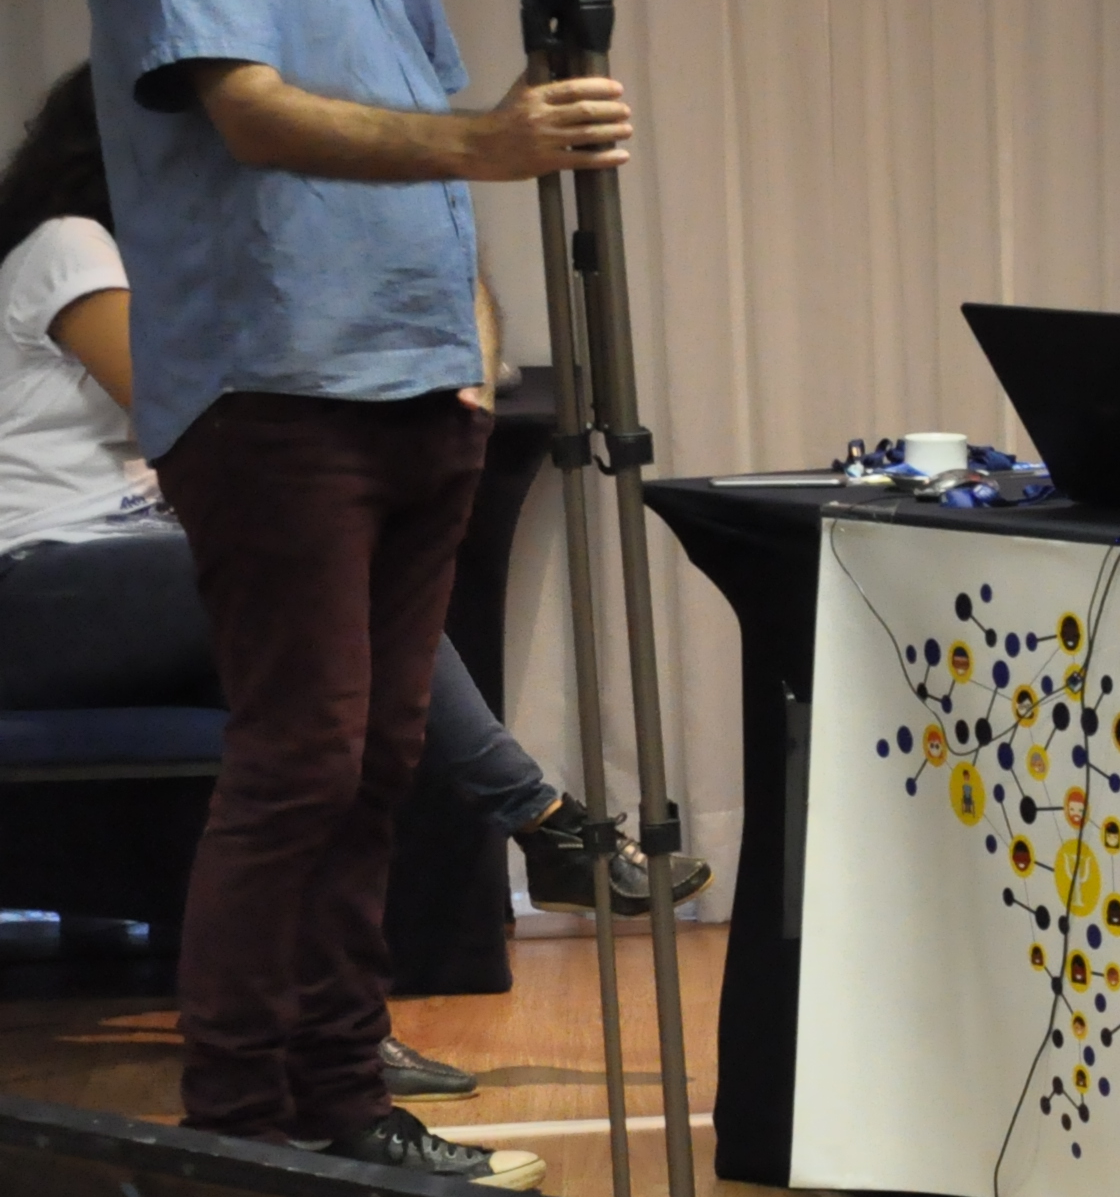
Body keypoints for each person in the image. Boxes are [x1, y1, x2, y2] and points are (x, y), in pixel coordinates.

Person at [78, 0, 637, 1189]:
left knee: (382, 765)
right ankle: (245, 1136)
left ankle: (340, 1108)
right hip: (271, 388)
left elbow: (417, 113)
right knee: (303, 759)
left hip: (413, 384)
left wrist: (472, 328)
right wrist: (493, 144)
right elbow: (250, 113)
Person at [0, 68, 706, 1075]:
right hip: (45, 589)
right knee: (328, 579)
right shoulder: (72, 244)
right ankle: (540, 819)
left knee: (330, 740)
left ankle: (340, 1032)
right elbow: (185, 410)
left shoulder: (178, 263)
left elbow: (425, 369)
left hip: (158, 590)